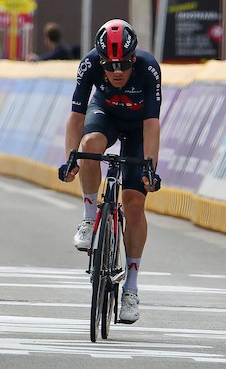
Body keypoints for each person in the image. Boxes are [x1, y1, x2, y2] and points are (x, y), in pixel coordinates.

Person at [58, 19, 162, 324]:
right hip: (105, 116)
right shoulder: (88, 64)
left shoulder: (149, 69)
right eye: (111, 64)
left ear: (134, 58)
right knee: (89, 146)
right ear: (100, 60)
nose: (118, 71)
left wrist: (150, 169)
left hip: (138, 127)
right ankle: (90, 220)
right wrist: (69, 160)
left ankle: (131, 287)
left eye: (125, 63)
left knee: (134, 203)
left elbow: (152, 125)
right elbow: (76, 118)